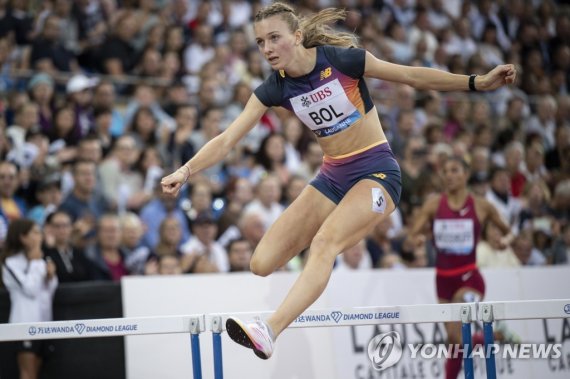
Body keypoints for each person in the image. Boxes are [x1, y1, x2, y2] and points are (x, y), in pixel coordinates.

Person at [161, 1, 517, 360]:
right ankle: (271, 323)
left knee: (324, 244)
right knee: (261, 263)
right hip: (333, 176)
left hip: (377, 172)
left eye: (274, 38)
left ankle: (269, 329)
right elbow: (226, 139)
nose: (267, 49)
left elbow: (411, 75)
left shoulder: (342, 60)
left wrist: (476, 82)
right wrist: (185, 170)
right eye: (259, 42)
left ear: (297, 36)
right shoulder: (275, 88)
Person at [408, 157, 513, 379]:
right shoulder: (434, 204)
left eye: (454, 170)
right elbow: (412, 235)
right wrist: (416, 240)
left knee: (459, 335)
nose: (449, 175)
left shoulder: (481, 205)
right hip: (442, 280)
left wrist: (504, 242)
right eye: (445, 171)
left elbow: (509, 231)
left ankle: (495, 336)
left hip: (470, 278)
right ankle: (495, 336)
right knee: (455, 342)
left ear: (466, 174)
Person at [1, 219, 58, 379]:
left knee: (38, 372)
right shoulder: (11, 262)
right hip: (24, 325)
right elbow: (30, 290)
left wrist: (50, 277)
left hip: (45, 325)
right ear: (23, 237)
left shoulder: (40, 259)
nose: (40, 236)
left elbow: (49, 291)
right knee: (28, 373)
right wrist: (34, 263)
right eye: (35, 232)